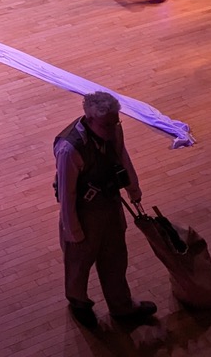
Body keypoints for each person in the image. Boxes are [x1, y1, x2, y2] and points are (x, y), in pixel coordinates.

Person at [54, 91, 156, 329]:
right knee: (79, 262)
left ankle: (122, 306)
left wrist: (133, 188)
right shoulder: (70, 149)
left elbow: (122, 157)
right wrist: (73, 231)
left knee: (116, 256)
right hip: (83, 211)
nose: (112, 129)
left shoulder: (112, 129)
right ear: (89, 119)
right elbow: (67, 195)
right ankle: (79, 302)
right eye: (106, 125)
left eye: (115, 122)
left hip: (109, 202)